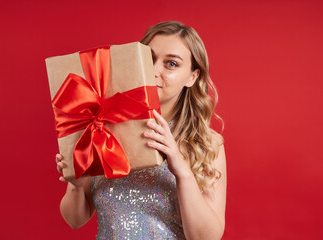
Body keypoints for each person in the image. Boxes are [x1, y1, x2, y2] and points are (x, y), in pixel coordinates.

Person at [55, 21, 227, 240]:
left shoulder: (206, 144)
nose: (155, 70)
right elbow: (74, 220)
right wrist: (77, 185)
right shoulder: (102, 128)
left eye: (171, 64)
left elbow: (206, 238)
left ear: (192, 77)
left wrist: (181, 171)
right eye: (148, 58)